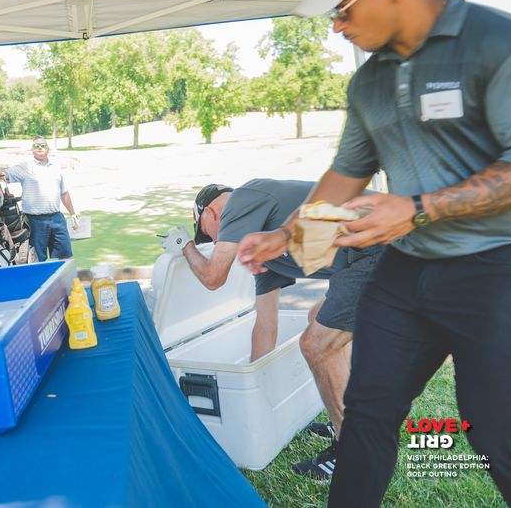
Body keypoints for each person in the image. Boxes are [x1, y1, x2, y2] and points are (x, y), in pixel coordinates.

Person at [237, 0, 511, 507]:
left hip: (496, 268)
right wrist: (286, 234)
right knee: (367, 412)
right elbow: (347, 173)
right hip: (405, 269)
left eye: (342, 10)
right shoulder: (368, 82)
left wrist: (417, 209)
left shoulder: (500, 42)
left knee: (497, 427)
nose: (336, 27)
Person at [162, 179, 382, 479]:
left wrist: (186, 246)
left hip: (385, 243)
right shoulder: (264, 251)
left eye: (208, 233)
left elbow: (214, 277)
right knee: (319, 318)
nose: (213, 241)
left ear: (212, 212)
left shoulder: (242, 197)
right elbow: (265, 325)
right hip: (361, 259)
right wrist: (252, 384)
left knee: (317, 344)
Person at [0, 136, 78, 262]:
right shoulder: (25, 167)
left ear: (48, 148)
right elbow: (4, 175)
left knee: (66, 255)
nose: (40, 148)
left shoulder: (56, 167)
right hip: (34, 221)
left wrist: (73, 214)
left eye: (43, 145)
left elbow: (64, 193)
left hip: (57, 218)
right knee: (36, 259)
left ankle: (66, 281)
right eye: (36, 146)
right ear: (32, 150)